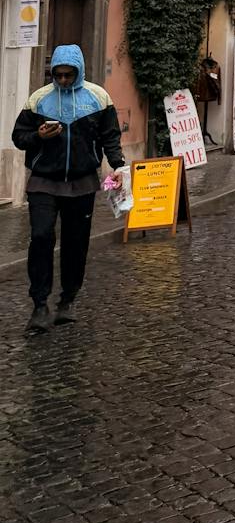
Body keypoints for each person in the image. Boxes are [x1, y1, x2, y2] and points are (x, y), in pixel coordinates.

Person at [12, 44, 125, 335]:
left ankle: (68, 300)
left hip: (82, 181)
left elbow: (110, 137)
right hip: (43, 182)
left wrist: (119, 167)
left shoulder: (98, 98)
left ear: (78, 72)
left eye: (68, 75)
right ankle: (39, 304)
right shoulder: (38, 100)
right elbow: (19, 137)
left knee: (76, 243)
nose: (62, 80)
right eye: (58, 75)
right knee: (40, 236)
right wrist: (38, 135)